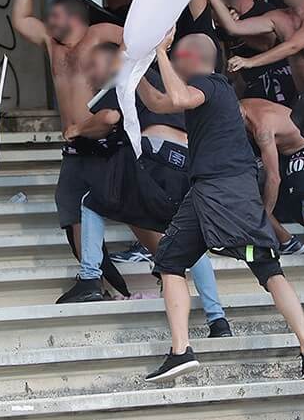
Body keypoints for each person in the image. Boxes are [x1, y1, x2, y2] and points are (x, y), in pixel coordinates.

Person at [136, 31, 304, 381]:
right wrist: (135, 72)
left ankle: (181, 351)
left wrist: (158, 50)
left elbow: (175, 97)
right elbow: (161, 103)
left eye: (177, 55)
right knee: (267, 268)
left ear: (190, 58)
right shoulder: (212, 90)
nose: (173, 61)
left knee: (170, 262)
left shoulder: (210, 84)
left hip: (215, 190)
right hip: (234, 191)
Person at [64, 37, 234, 340]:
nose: (91, 75)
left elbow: (109, 118)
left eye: (93, 66)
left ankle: (89, 280)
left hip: (156, 155)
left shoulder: (132, 75)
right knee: (190, 241)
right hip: (187, 164)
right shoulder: (178, 84)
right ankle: (217, 319)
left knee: (92, 200)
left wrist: (77, 129)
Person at [14, 0, 130, 300]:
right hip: (75, 142)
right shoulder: (53, 45)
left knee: (131, 212)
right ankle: (94, 283)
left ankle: (168, 265)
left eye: (56, 15)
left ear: (75, 18)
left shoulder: (98, 35)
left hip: (105, 135)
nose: (49, 21)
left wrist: (121, 67)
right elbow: (21, 21)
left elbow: (140, 36)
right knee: (70, 204)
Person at [239, 97, 304, 253]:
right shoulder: (244, 103)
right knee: (247, 190)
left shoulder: (262, 130)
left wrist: (264, 217)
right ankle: (289, 243)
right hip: (287, 154)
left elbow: (274, 179)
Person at [207, 0, 297, 107]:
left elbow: (266, 44)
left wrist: (236, 27)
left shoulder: (265, 11)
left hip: (276, 83)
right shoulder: (225, 17)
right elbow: (225, 53)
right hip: (248, 84)